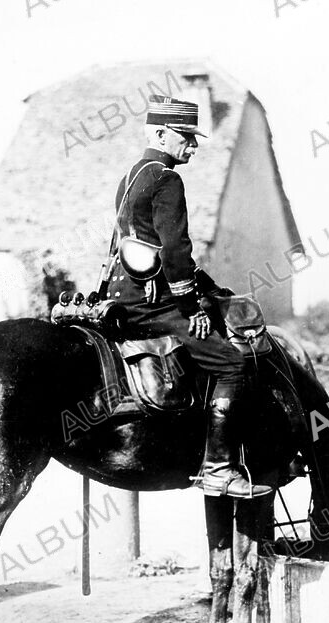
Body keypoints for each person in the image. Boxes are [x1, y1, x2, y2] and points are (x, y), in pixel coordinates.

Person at [106, 95, 271, 498]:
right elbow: (175, 250)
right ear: (161, 134)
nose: (192, 147)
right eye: (186, 137)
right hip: (156, 304)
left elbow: (124, 242)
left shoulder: (131, 175)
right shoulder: (166, 178)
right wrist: (191, 305)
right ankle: (218, 468)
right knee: (232, 364)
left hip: (123, 293)